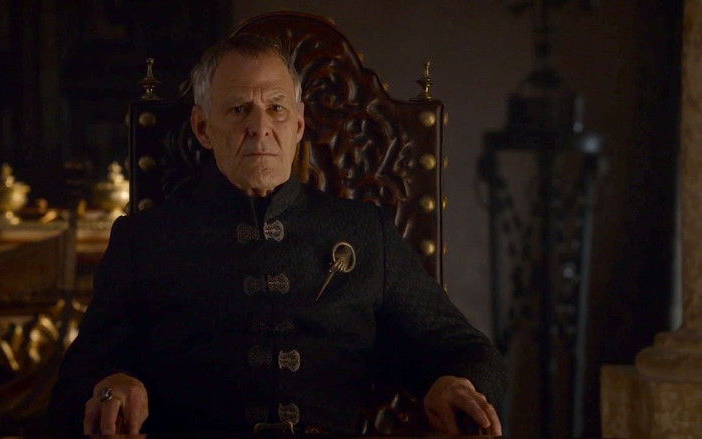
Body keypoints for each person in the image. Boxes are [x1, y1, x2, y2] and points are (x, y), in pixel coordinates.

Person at [49, 34, 506, 436]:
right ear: (203, 128)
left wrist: (455, 384)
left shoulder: (366, 233)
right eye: (239, 109)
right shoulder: (145, 240)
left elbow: (466, 350)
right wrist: (111, 386)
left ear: (298, 125)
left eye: (276, 108)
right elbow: (75, 383)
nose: (260, 127)